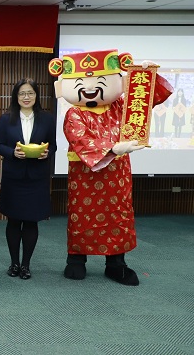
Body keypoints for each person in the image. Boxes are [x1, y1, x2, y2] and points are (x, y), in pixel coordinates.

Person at [49, 50, 172, 285]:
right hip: (85, 174)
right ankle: (76, 259)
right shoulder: (75, 113)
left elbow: (145, 104)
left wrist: (144, 78)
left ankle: (116, 263)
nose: (91, 88)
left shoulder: (119, 106)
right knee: (82, 216)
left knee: (118, 215)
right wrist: (113, 148)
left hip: (117, 174)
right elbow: (80, 139)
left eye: (100, 81)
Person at [0, 79, 56, 280]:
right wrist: (12, 153)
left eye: (30, 93)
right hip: (14, 177)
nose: (26, 97)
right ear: (16, 96)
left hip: (37, 177)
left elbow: (53, 145)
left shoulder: (47, 119)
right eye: (22, 94)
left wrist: (47, 153)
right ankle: (14, 263)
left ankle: (26, 265)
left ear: (36, 96)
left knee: (31, 222)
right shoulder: (6, 119)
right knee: (13, 221)